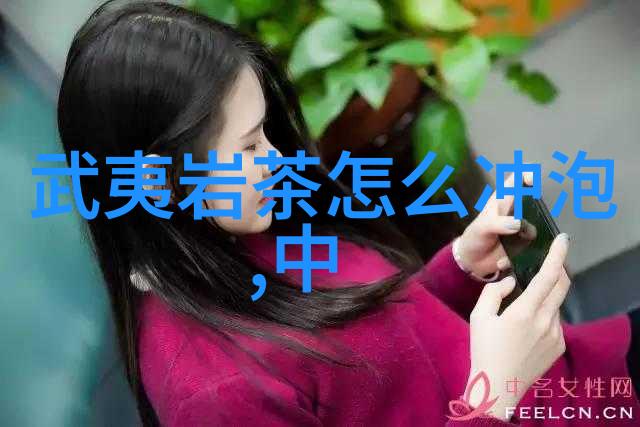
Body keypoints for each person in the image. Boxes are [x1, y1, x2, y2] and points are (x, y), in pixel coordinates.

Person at [57, 1, 640, 425]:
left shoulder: (234, 233)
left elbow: (371, 356)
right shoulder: (215, 395)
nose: (276, 160)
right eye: (250, 146)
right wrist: (496, 397)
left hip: (572, 388)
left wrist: (458, 269)